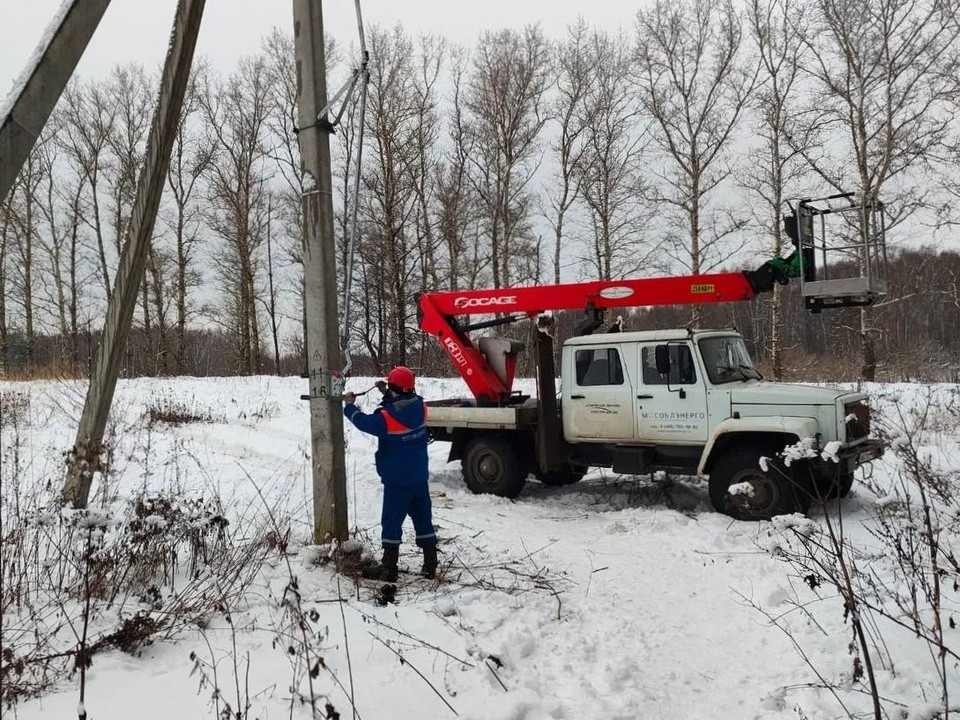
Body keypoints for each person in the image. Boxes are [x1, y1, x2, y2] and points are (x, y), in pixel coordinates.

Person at [342, 366, 438, 582]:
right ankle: (431, 565)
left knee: (392, 523)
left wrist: (349, 407)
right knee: (423, 519)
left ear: (394, 389)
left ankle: (389, 569)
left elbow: (363, 422)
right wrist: (387, 393)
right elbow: (403, 406)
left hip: (397, 481)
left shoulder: (385, 418)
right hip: (419, 478)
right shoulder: (421, 409)